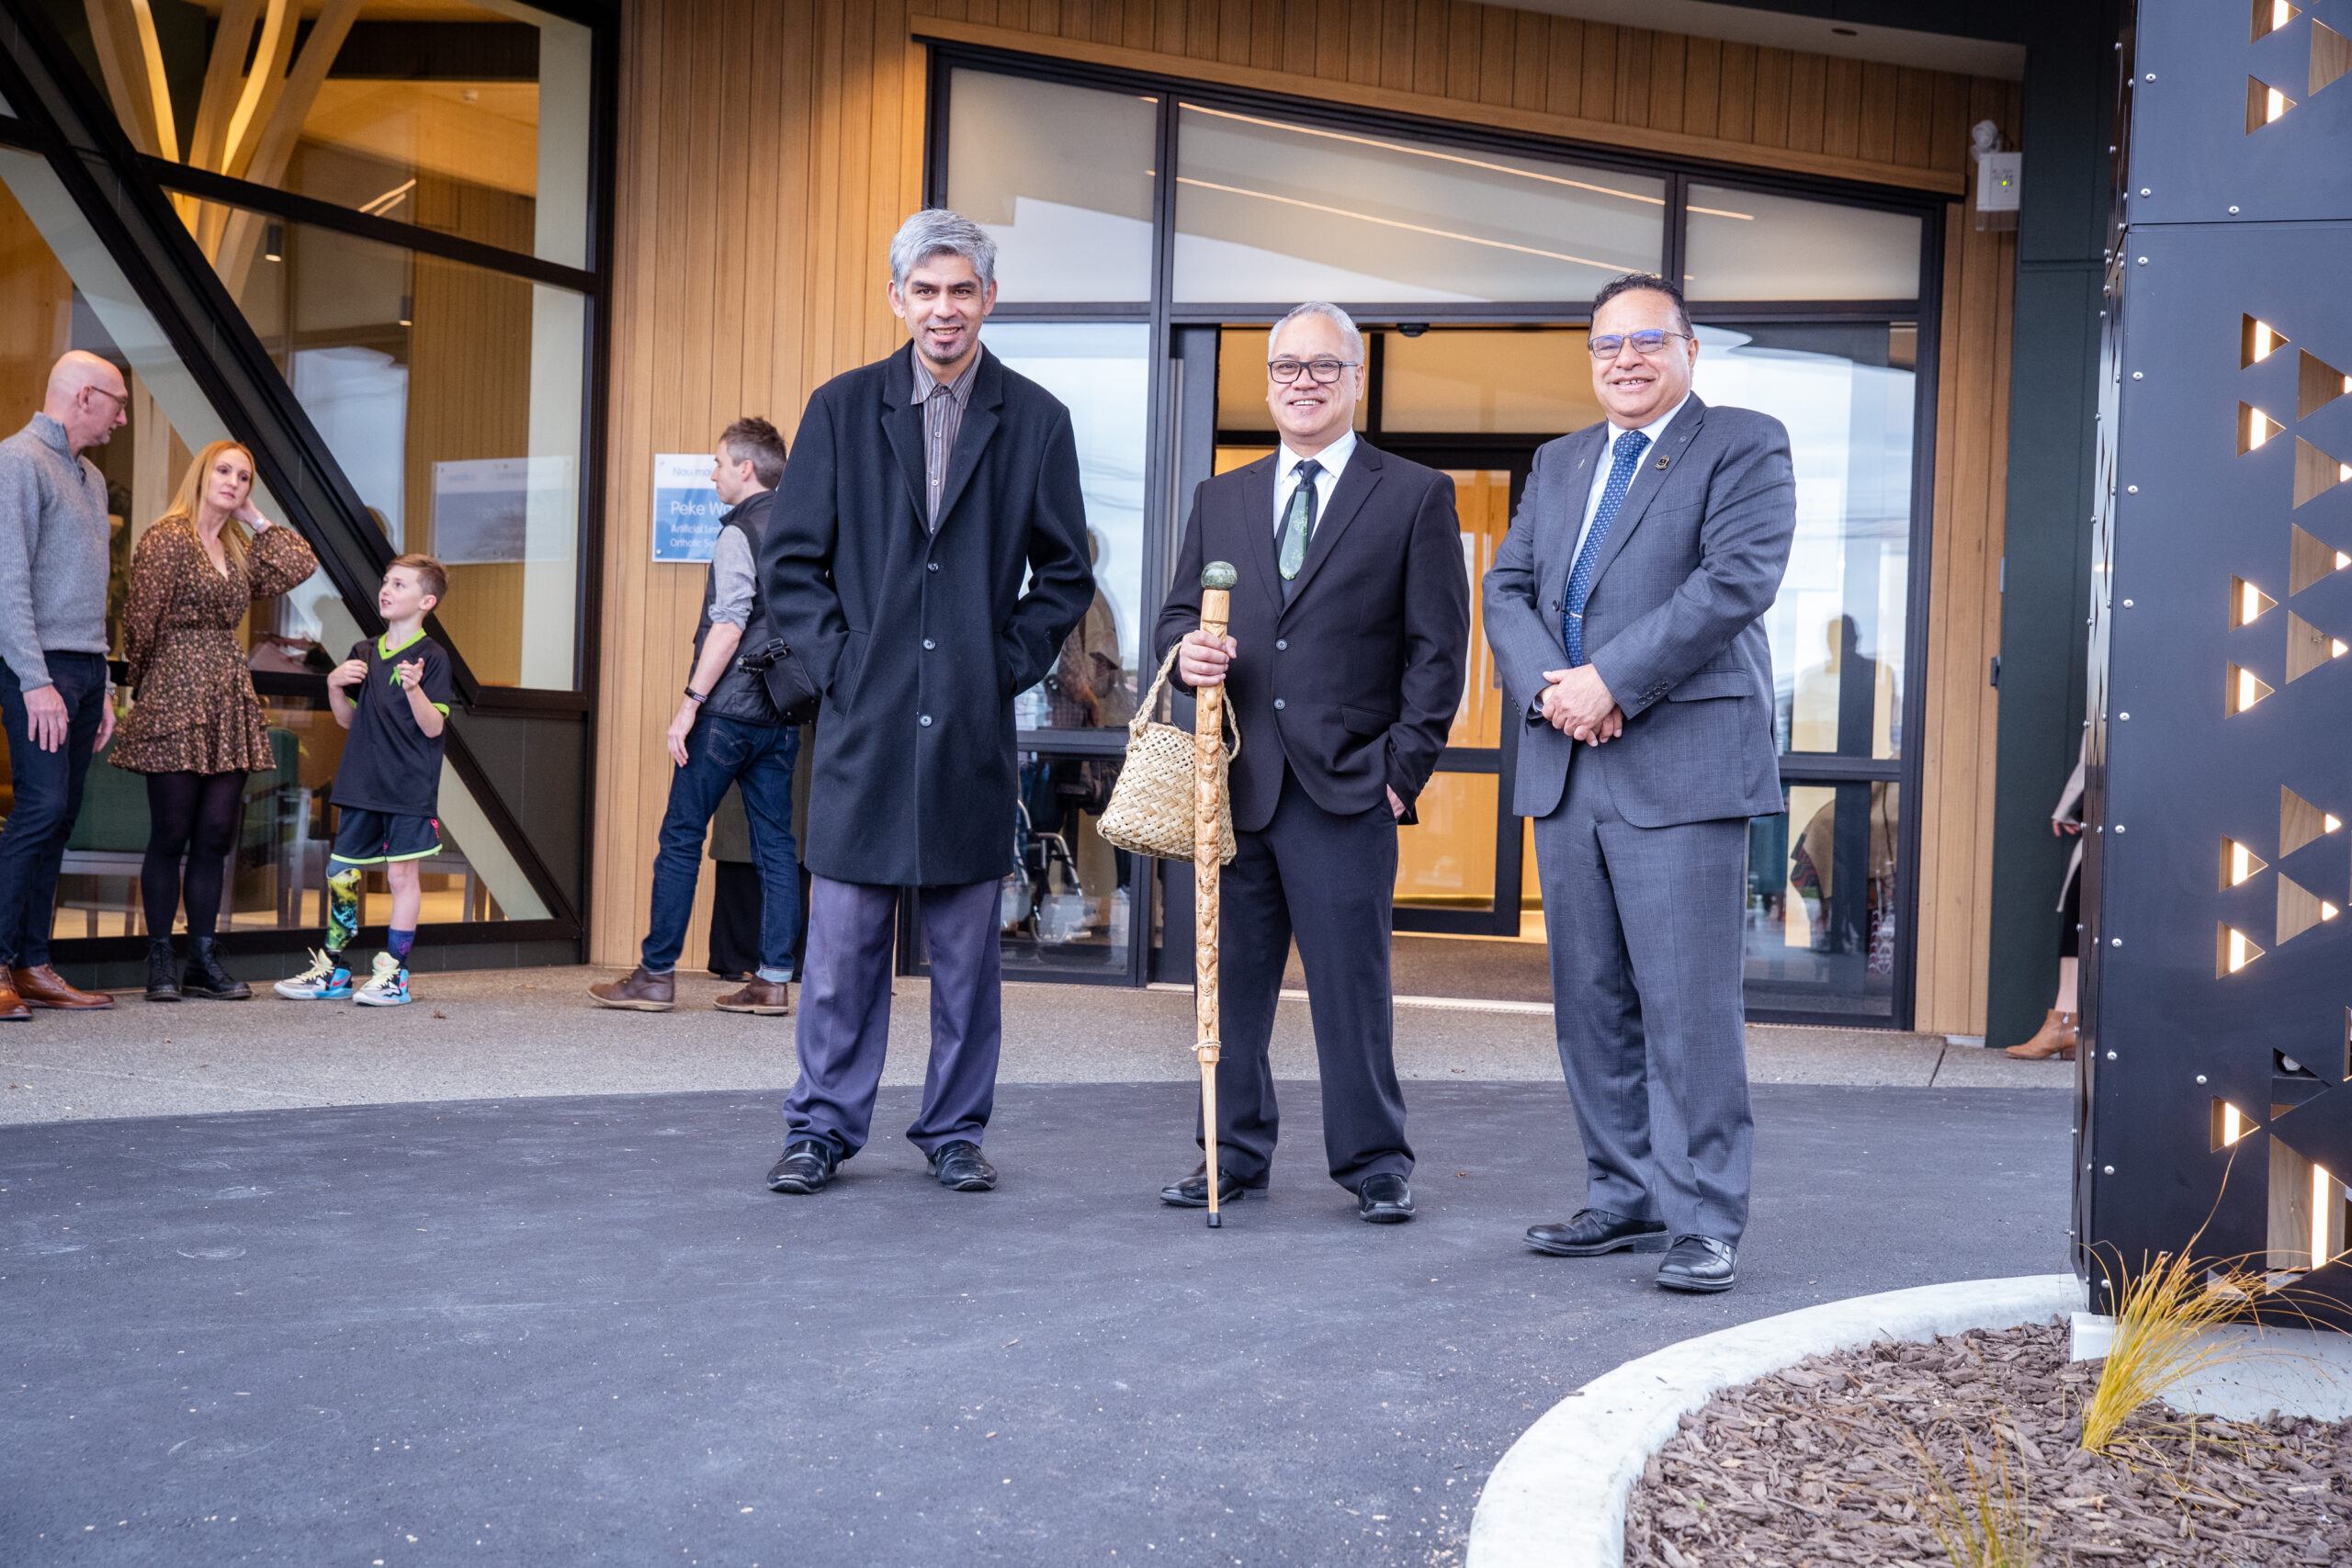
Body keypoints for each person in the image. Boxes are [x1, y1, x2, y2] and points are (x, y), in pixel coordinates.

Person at [758, 209, 1093, 1197]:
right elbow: (793, 561)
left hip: (970, 725)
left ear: (988, 299)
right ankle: (820, 1127)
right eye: (925, 290)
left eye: (960, 290)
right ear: (896, 299)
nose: (942, 309)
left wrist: (1001, 662)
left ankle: (954, 1129)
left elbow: (1065, 575)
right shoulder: (840, 407)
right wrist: (841, 666)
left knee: (964, 956)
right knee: (843, 948)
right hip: (863, 721)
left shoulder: (1035, 420)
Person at [1484, 273, 1796, 1294]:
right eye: (1606, 344)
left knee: (1686, 1008)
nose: (1624, 359)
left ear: (1688, 349)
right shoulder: (1559, 459)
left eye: (1646, 340)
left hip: (1679, 765)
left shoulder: (1742, 442)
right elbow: (1508, 587)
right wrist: (1558, 691)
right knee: (1590, 1004)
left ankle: (1704, 1218)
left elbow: (1733, 583)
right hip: (1568, 763)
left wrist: (1612, 680)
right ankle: (1621, 1197)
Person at [1153, 301, 1469, 1224]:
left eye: (1323, 367)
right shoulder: (1224, 496)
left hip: (1346, 785)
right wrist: (1186, 655)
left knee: (1350, 987)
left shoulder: (1412, 494)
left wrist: (1400, 771)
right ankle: (1232, 1155)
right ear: (1266, 383)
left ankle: (1373, 1162)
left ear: (1356, 380)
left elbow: (1437, 650)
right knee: (1232, 988)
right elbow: (1178, 619)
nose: (1302, 380)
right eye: (1286, 366)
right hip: (1236, 781)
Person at [592, 418, 803, 1016]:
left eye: (717, 464)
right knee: (778, 847)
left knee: (682, 837)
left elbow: (731, 621)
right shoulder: (806, 527)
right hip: (782, 713)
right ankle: (771, 980)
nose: (712, 475)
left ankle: (655, 975)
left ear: (746, 468)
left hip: (728, 713)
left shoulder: (741, 531)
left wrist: (689, 704)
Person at [111, 440, 318, 1001]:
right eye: (223, 471)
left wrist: (251, 516)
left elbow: (300, 562)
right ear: (201, 474)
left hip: (228, 691)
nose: (232, 481)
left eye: (244, 477)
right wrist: (153, 692)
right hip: (176, 689)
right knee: (172, 831)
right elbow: (141, 624)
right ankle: (160, 962)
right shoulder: (167, 536)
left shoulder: (237, 544)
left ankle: (202, 959)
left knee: (217, 834)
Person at [0, 351, 131, 1020]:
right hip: (38, 668)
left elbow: (92, 593)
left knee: (61, 819)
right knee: (40, 808)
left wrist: (104, 682)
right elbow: (7, 582)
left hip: (83, 667)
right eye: (117, 401)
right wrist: (34, 680)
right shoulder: (17, 460)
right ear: (84, 397)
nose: (123, 416)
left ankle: (32, 963)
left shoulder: (93, 479)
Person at [273, 556, 454, 1008]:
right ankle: (334, 970)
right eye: (386, 581)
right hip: (360, 784)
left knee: (400, 875)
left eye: (400, 584)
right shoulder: (364, 652)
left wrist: (414, 689)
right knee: (340, 873)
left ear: (426, 600)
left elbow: (433, 728)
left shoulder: (433, 657)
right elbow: (348, 721)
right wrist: (333, 685)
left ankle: (394, 973)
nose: (386, 589)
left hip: (408, 788)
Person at [2006, 731, 2086, 1059]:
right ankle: (2070, 1024)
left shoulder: (2116, 686)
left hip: (2122, 823)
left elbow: (2094, 759)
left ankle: (2066, 1023)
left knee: (2082, 915)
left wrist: (2068, 809)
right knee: (2083, 917)